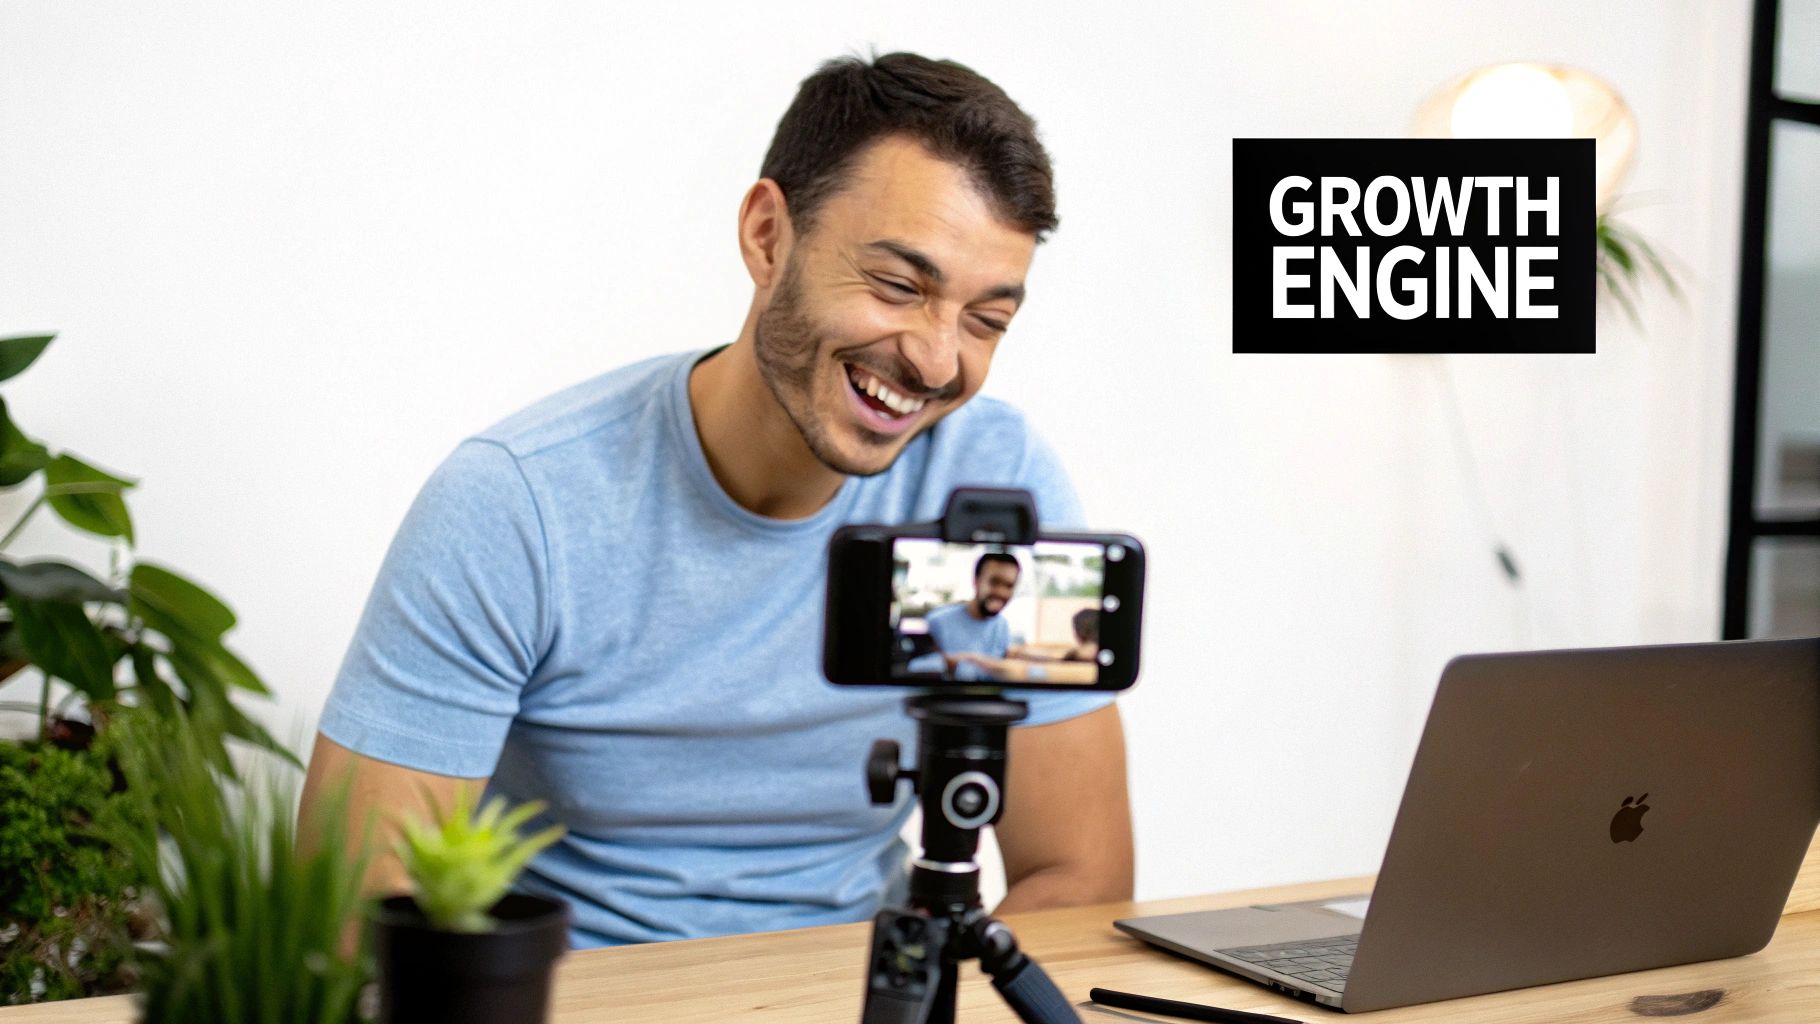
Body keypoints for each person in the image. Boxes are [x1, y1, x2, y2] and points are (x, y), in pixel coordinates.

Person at [299, 51, 1133, 948]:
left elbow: (1076, 876)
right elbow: (359, 907)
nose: (936, 361)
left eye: (985, 321)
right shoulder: (518, 502)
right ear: (769, 235)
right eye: (898, 285)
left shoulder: (994, 486)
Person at [922, 552, 1022, 679]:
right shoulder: (937, 621)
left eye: (1009, 586)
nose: (1001, 592)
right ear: (976, 581)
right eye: (994, 582)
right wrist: (964, 661)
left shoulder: (1002, 626)